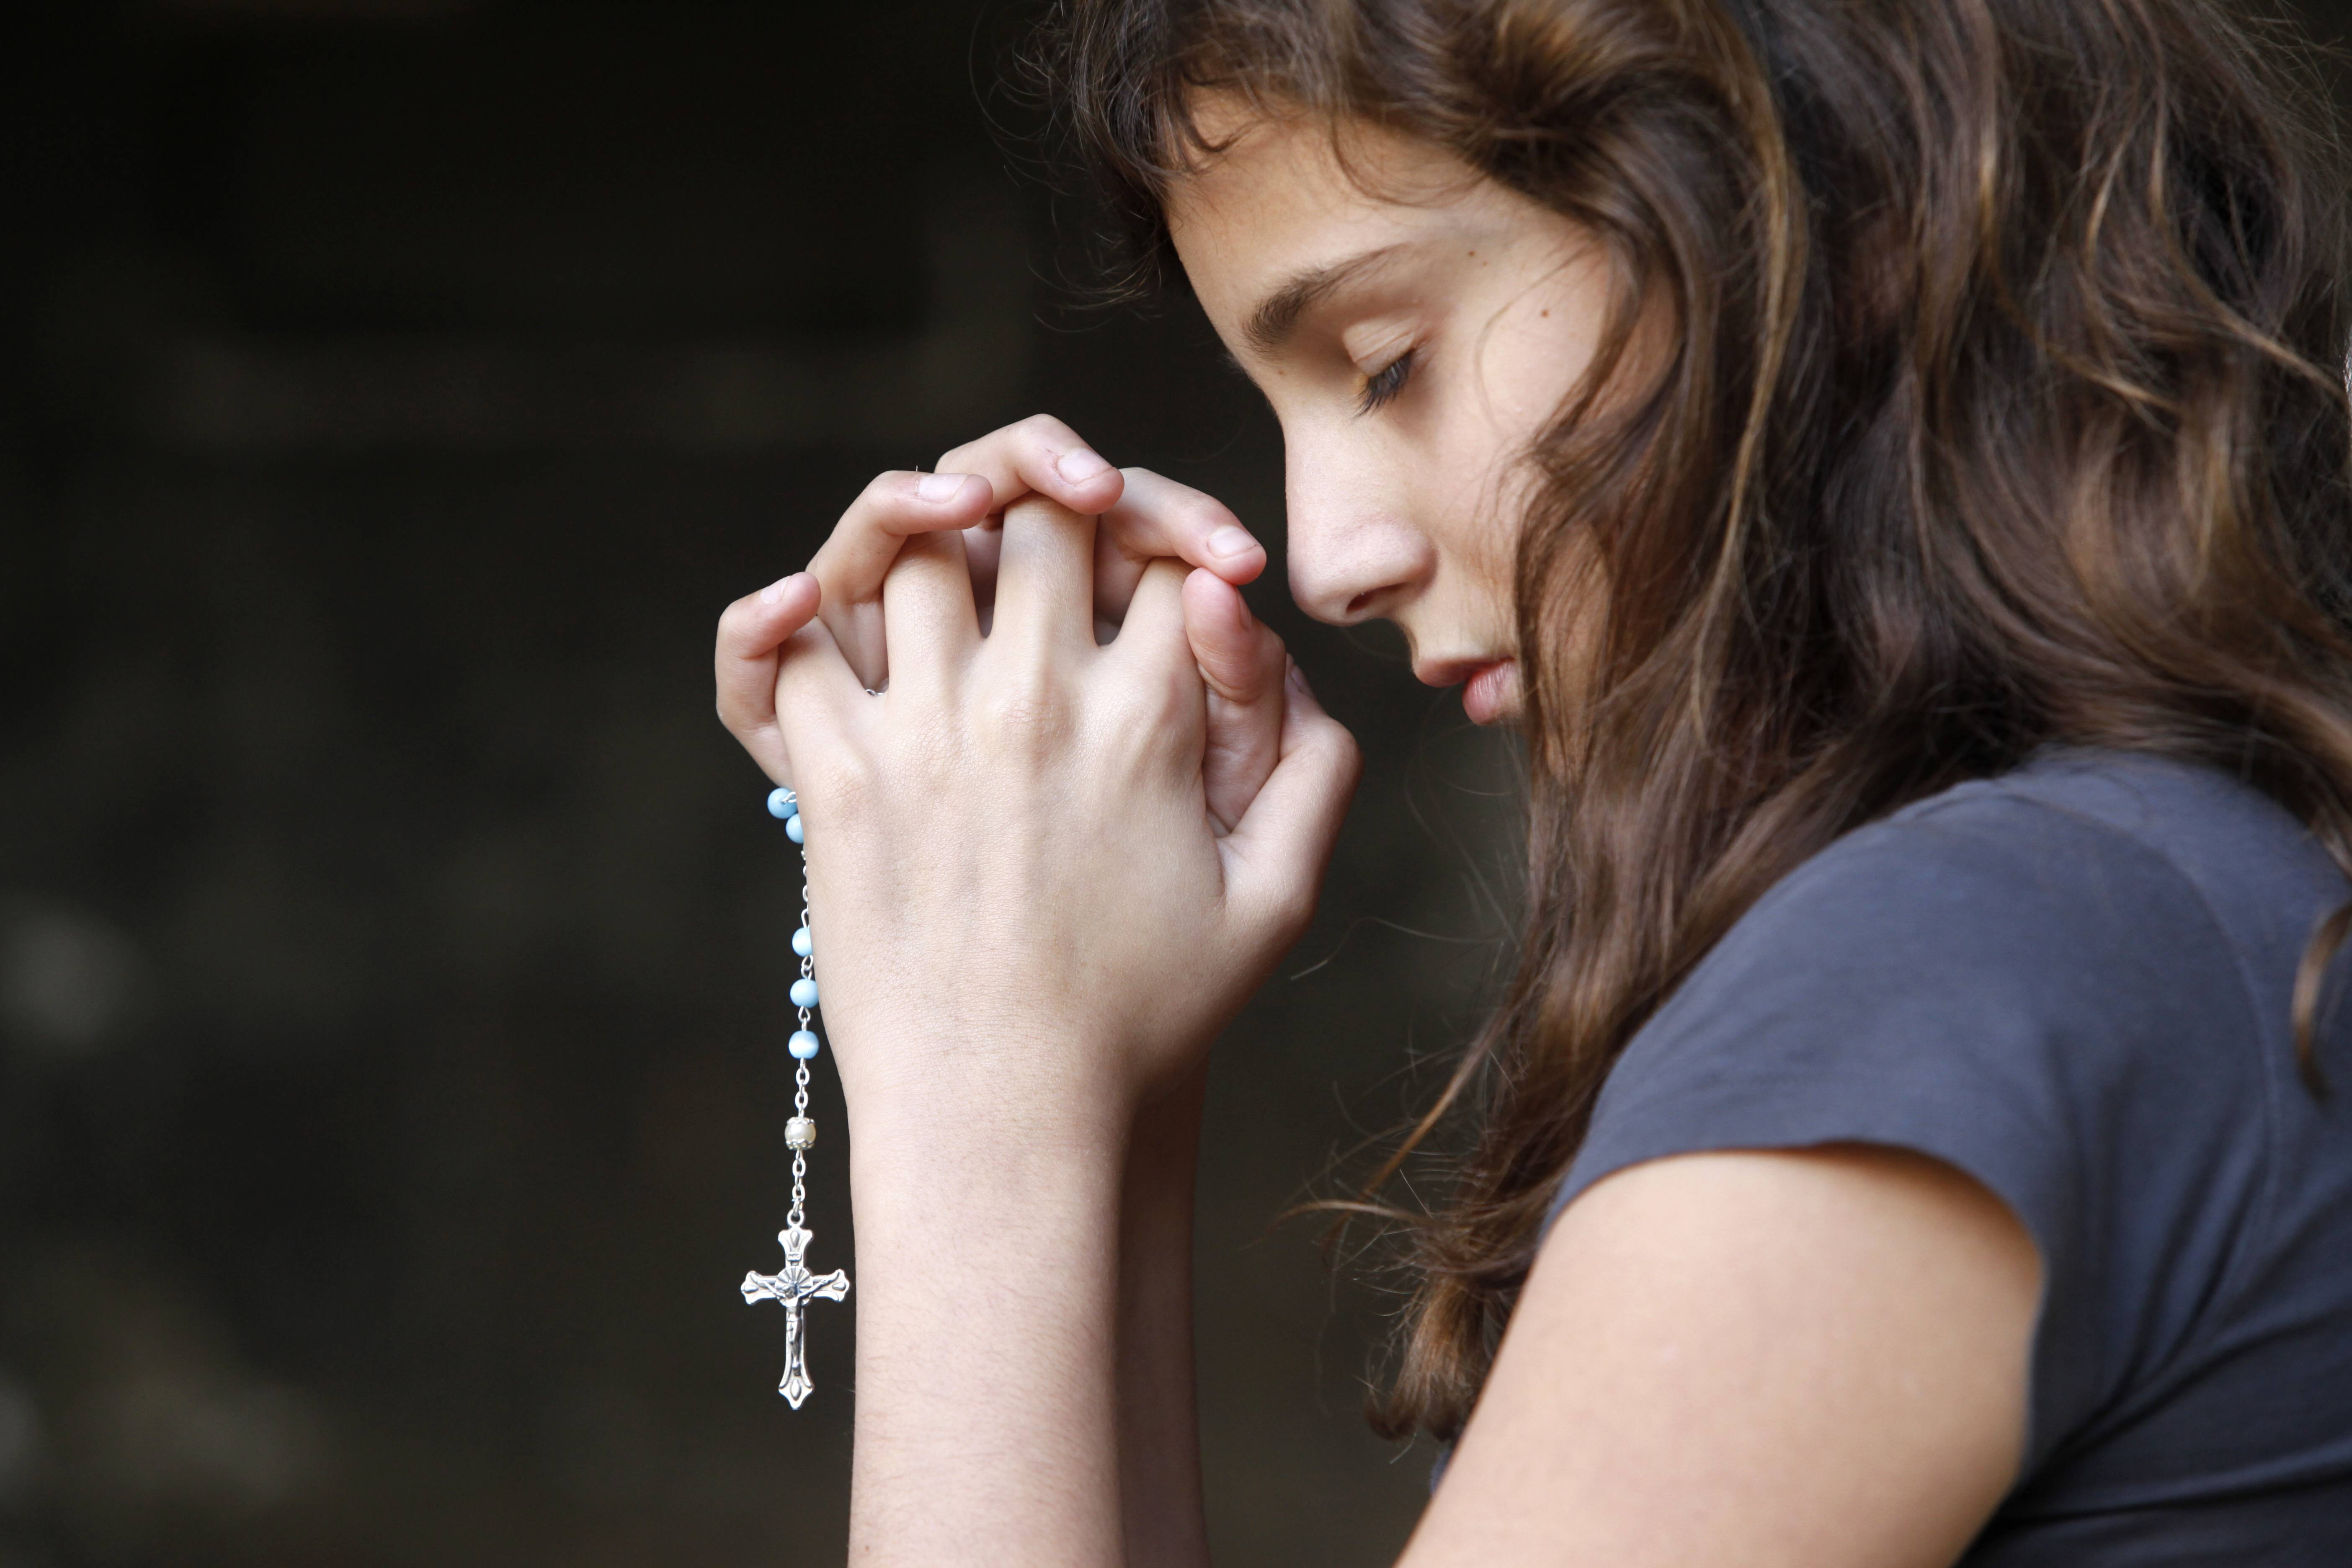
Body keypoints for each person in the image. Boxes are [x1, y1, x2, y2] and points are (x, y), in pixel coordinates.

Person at [712, 0, 2352, 1560]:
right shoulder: (2131, 901)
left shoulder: (1961, 963)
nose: (1325, 556)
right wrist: (1088, 1060)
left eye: (1384, 363)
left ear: (1838, 205)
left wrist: (971, 1087)